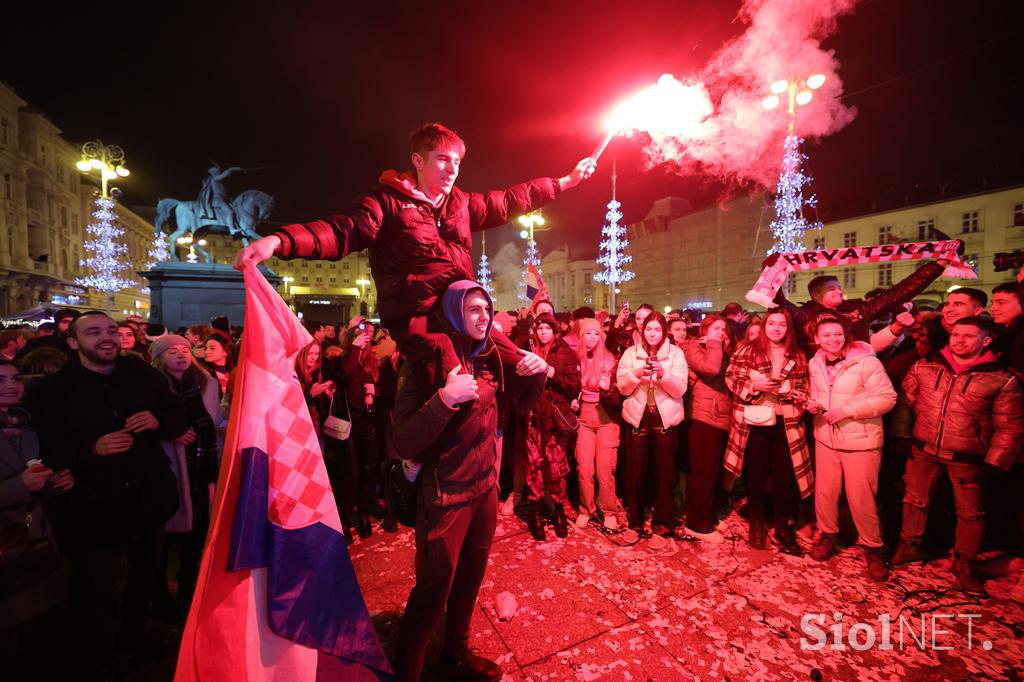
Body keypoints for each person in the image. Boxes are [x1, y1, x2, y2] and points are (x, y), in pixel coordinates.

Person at [234, 122, 594, 380]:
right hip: (415, 315)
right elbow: (341, 232)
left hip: (457, 305)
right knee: (453, 371)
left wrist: (566, 181)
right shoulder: (386, 202)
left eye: (457, 162)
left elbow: (509, 200)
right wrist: (279, 241)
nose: (452, 169)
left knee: (514, 360)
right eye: (442, 159)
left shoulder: (460, 203)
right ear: (418, 162)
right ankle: (411, 465)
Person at [390, 281, 545, 681]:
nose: (484, 317)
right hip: (445, 496)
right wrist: (444, 399)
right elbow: (403, 440)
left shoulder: (491, 357)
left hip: (484, 491)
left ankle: (454, 651)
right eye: (473, 309)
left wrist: (536, 372)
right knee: (431, 593)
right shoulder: (423, 364)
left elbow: (517, 407)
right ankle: (406, 671)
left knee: (469, 582)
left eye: (487, 309)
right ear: (454, 313)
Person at [25, 311, 189, 671]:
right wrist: (91, 450)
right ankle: (96, 657)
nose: (107, 337)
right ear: (73, 343)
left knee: (144, 580)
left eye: (112, 330)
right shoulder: (54, 390)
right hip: (94, 506)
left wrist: (159, 421)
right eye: (94, 331)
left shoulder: (145, 377)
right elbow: (44, 449)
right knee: (98, 588)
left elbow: (180, 419)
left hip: (148, 500)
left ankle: (132, 643)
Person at [891, 317, 1024, 594]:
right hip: (923, 446)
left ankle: (965, 561)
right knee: (914, 500)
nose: (959, 340)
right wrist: (902, 436)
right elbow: (906, 403)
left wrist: (996, 463)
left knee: (970, 512)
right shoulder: (926, 365)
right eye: (956, 335)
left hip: (968, 455)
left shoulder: (1001, 378)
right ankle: (908, 545)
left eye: (968, 336)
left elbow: (1009, 427)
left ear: (985, 341)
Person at [804, 315, 896, 581]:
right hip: (825, 436)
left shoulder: (866, 361)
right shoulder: (815, 362)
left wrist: (849, 410)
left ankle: (872, 547)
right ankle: (827, 535)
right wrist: (812, 404)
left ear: (846, 335)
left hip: (860, 439)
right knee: (825, 492)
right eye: (826, 335)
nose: (832, 339)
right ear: (817, 339)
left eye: (837, 334)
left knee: (862, 497)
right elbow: (818, 394)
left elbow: (887, 398)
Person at [0, 359, 74, 676]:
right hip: (5, 546)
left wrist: (55, 482)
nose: (10, 385)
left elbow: (34, 476)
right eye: (0, 380)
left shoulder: (24, 424)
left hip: (34, 541)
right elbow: (21, 482)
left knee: (39, 629)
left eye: (15, 378)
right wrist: (20, 486)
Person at [724, 308, 812, 555]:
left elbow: (806, 385)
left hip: (788, 422)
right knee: (756, 473)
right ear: (764, 327)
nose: (776, 328)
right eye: (771, 323)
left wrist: (794, 393)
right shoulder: (748, 350)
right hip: (756, 420)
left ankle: (782, 525)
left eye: (781, 324)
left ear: (788, 328)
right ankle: (756, 521)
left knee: (785, 475)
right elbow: (731, 376)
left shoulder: (798, 355)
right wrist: (754, 384)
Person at [149, 335, 223, 609]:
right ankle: (159, 595)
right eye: (172, 352)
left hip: (199, 468)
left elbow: (212, 421)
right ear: (159, 358)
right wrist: (171, 431)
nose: (181, 355)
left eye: (185, 350)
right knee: (165, 536)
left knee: (196, 533)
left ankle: (189, 588)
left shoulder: (207, 383)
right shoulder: (151, 387)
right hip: (167, 469)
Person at [771, 254, 952, 350]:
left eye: (839, 287)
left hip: (859, 371)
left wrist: (937, 266)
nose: (840, 291)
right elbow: (779, 302)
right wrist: (771, 269)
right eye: (833, 288)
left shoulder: (859, 309)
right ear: (818, 295)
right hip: (822, 376)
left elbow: (899, 293)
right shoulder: (806, 316)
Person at [616, 312, 688, 546]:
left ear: (664, 331)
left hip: (665, 421)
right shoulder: (631, 353)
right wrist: (636, 374)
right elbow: (622, 388)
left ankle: (662, 525)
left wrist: (663, 375)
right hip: (638, 420)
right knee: (635, 474)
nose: (653, 333)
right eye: (649, 329)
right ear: (643, 331)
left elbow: (680, 389)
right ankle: (635, 522)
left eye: (657, 329)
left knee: (665, 475)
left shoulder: (675, 354)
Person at [521, 313, 580, 540]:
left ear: (555, 331)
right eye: (540, 328)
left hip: (554, 421)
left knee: (556, 468)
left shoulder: (566, 354)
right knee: (533, 466)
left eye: (547, 328)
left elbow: (574, 386)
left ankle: (558, 511)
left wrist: (553, 373)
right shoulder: (529, 353)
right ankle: (535, 510)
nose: (543, 332)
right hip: (533, 418)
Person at [681, 314, 736, 545]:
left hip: (721, 417)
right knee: (702, 473)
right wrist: (713, 342)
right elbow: (711, 369)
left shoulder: (722, 349)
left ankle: (709, 516)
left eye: (723, 329)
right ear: (704, 329)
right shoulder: (695, 347)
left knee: (712, 472)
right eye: (715, 328)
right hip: (702, 416)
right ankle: (697, 523)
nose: (720, 332)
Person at [574, 318, 621, 531]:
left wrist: (606, 388)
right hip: (584, 418)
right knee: (584, 468)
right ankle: (586, 509)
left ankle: (609, 511)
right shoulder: (577, 359)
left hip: (606, 419)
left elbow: (620, 396)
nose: (592, 337)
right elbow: (572, 385)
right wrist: (574, 399)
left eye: (596, 333)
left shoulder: (609, 360)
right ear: (581, 337)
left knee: (605, 469)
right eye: (588, 334)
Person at [201, 333, 235, 398]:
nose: (206, 352)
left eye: (212, 348)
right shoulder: (205, 375)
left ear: (225, 351)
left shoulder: (235, 373)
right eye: (205, 348)